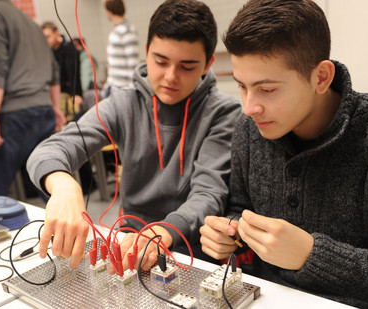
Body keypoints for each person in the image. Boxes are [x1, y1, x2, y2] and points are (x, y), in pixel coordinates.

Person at [198, 0, 368, 308]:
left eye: (266, 89)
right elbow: (240, 207)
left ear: (320, 78)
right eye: (241, 86)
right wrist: (230, 233)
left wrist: (311, 255)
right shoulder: (250, 129)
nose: (250, 107)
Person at [27, 0, 241, 271]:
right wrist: (64, 186)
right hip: (128, 239)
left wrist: (163, 232)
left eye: (187, 67)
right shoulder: (124, 104)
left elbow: (208, 193)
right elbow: (51, 149)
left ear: (207, 63)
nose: (170, 77)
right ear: (146, 51)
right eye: (160, 61)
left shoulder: (223, 112)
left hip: (190, 246)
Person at [0, 0, 66, 209]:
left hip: (13, 117)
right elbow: (54, 70)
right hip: (43, 113)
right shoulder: (29, 22)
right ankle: (73, 241)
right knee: (53, 191)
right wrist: (55, 107)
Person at [42, 22, 83, 122]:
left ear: (56, 32)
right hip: (55, 94)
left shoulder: (69, 49)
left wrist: (76, 94)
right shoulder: (48, 52)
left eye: (48, 37)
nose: (47, 41)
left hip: (68, 93)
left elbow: (74, 74)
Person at [103, 0, 139, 93]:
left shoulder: (127, 30)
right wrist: (108, 83)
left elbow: (132, 62)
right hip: (113, 86)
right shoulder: (116, 30)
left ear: (109, 11)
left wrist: (132, 89)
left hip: (124, 89)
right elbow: (113, 63)